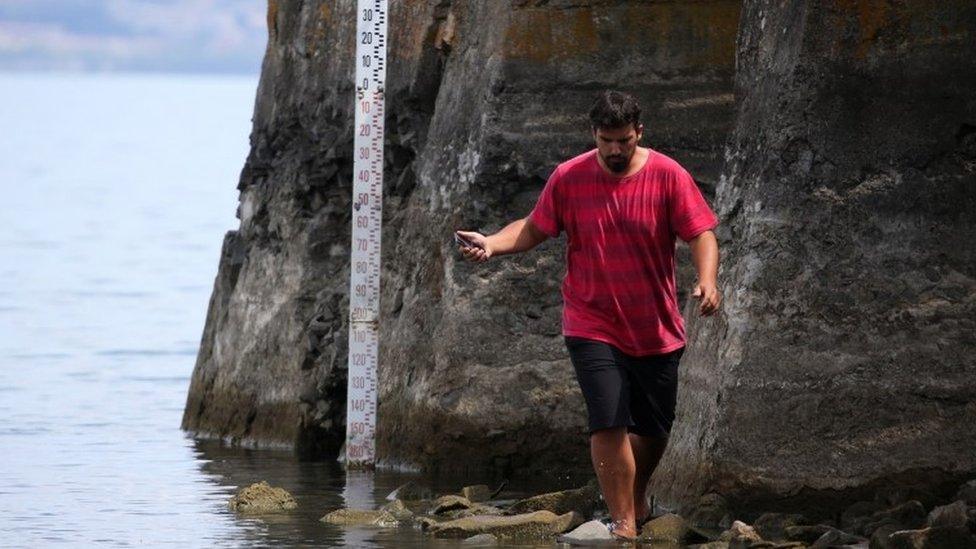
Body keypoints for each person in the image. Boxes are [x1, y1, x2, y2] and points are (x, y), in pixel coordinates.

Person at [455, 90, 721, 541]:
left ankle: (636, 496)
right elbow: (534, 227)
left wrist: (708, 280)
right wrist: (492, 243)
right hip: (590, 322)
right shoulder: (569, 177)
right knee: (608, 417)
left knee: (654, 430)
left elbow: (701, 233)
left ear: (639, 132)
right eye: (606, 141)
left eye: (623, 140)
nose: (615, 150)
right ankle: (624, 525)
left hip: (655, 327)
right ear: (593, 135)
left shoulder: (668, 175)